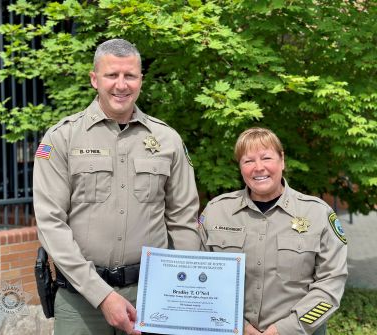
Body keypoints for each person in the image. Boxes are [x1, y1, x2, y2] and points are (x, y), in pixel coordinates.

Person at [33, 38, 201, 335]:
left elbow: (183, 221)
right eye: (112, 75)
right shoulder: (61, 139)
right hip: (81, 300)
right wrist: (102, 295)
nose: (121, 85)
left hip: (152, 296)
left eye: (130, 76)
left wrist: (182, 289)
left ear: (140, 80)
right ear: (94, 79)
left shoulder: (167, 140)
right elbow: (50, 224)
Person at [198, 127, 347, 335]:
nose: (258, 168)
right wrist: (239, 325)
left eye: (266, 157)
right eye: (248, 161)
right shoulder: (216, 212)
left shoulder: (318, 214)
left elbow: (331, 282)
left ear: (282, 160)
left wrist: (284, 329)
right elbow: (200, 279)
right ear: (240, 167)